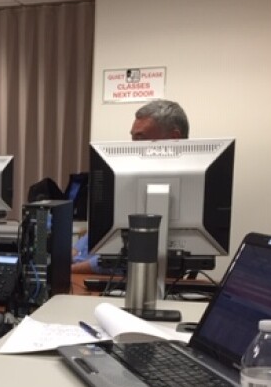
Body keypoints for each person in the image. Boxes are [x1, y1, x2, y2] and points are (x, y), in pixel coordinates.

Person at [72, 99, 189, 274]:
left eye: (141, 138)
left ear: (173, 139)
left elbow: (135, 253)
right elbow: (106, 233)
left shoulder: (187, 189)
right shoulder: (132, 178)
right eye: (132, 138)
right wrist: (75, 251)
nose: (132, 148)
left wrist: (73, 268)